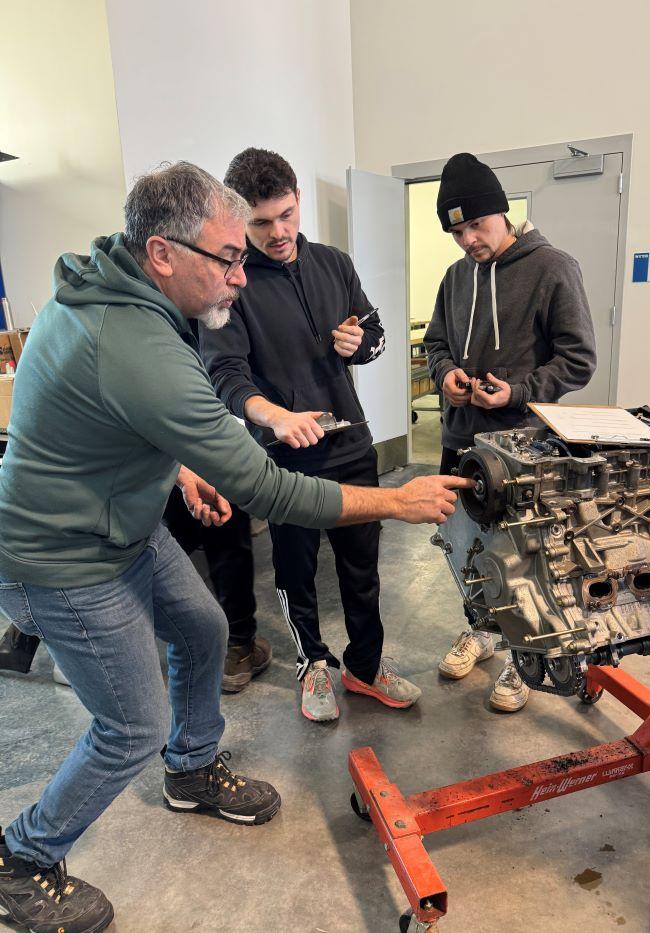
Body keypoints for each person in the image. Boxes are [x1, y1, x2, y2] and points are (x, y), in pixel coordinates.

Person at [0, 161, 469, 933]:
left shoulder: (124, 289)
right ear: (162, 252)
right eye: (228, 256)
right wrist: (397, 498)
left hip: (121, 520)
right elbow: (266, 486)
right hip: (61, 557)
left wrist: (182, 464)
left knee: (205, 627)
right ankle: (22, 855)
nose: (243, 275)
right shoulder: (131, 337)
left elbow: (118, 410)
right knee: (129, 727)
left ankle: (189, 771)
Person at [200, 148, 415, 725]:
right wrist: (273, 416)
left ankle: (365, 668)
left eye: (288, 215)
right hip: (287, 457)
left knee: (362, 566)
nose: (279, 233)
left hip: (350, 445)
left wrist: (360, 343)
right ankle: (313, 663)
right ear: (239, 222)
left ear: (299, 201)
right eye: (262, 223)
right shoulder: (232, 284)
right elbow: (225, 373)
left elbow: (374, 331)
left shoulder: (334, 263)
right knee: (296, 571)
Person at [425, 152, 596, 713]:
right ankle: (482, 631)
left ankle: (528, 659)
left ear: (503, 212)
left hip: (524, 450)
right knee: (468, 550)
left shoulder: (552, 268)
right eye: (456, 230)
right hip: (461, 443)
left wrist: (517, 391)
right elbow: (437, 343)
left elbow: (578, 358)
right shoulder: (455, 277)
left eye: (476, 224)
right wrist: (446, 374)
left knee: (527, 559)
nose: (467, 239)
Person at [163, 483, 266, 693]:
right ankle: (239, 650)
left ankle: (117, 646)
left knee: (170, 538)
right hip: (209, 458)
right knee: (227, 533)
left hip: (161, 465)